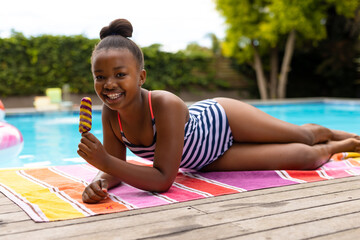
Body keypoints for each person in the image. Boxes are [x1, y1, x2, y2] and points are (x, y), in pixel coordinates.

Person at [78, 18, 360, 204]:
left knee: (304, 137)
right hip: (206, 158)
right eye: (100, 77)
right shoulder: (110, 114)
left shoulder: (164, 104)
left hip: (224, 120)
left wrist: (104, 161)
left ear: (140, 77)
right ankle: (345, 145)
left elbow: (163, 179)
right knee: (307, 158)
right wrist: (97, 183)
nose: (109, 84)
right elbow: (113, 171)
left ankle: (345, 135)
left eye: (119, 74)